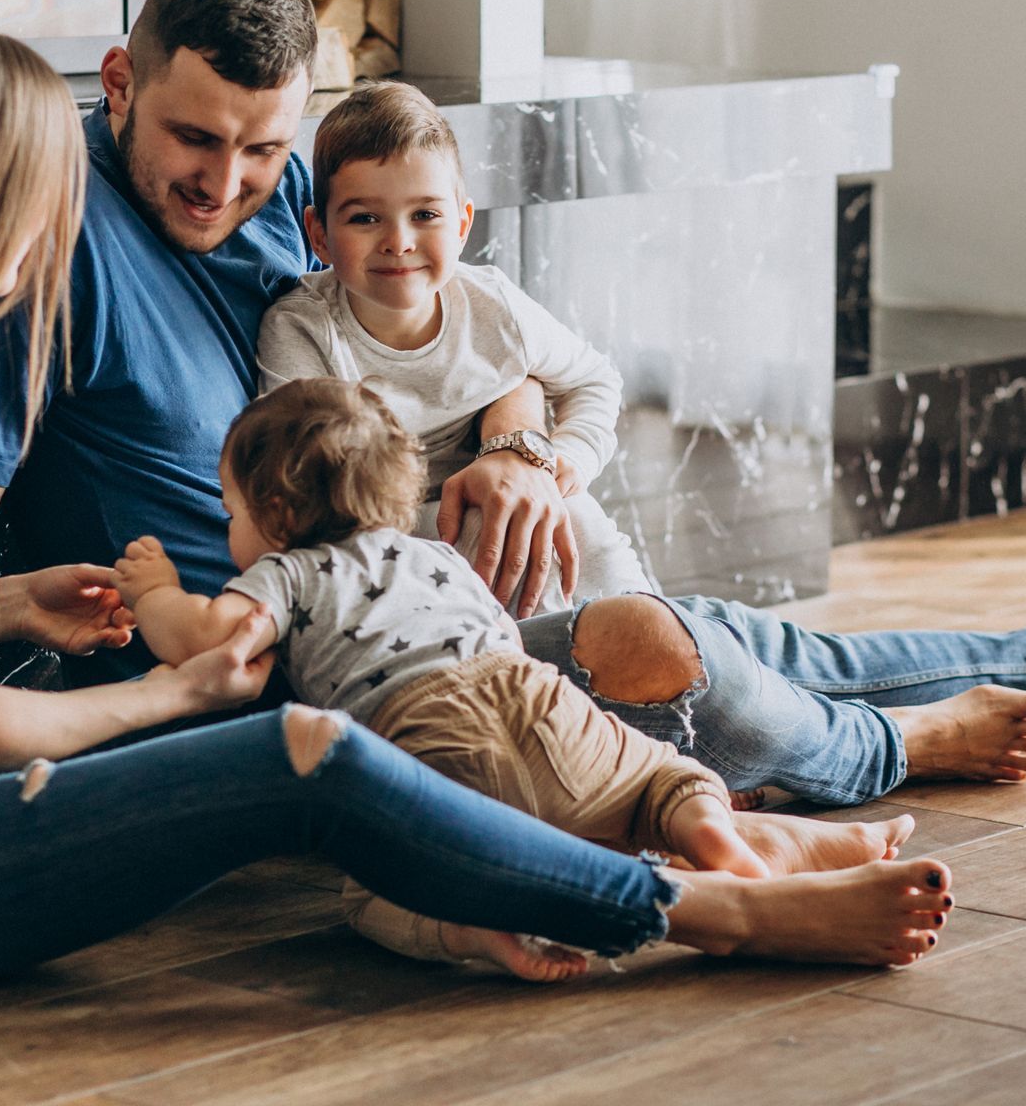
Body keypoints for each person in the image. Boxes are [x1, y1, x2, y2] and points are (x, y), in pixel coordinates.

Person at [0, 0, 1026, 882]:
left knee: (696, 630)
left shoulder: (304, 193)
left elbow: (448, 322)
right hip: (271, 645)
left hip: (402, 582)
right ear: (115, 83)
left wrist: (514, 429)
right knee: (690, 654)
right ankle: (966, 719)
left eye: (260, 150)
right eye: (191, 138)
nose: (228, 185)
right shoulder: (44, 238)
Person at [0, 17, 951, 981]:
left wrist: (13, 596)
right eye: (50, 185)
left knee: (583, 659)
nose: (61, 220)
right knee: (303, 754)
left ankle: (753, 827)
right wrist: (171, 695)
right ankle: (707, 908)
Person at [113, 378, 927, 974]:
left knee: (370, 893)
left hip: (429, 736)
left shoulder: (290, 573)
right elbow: (505, 634)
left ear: (279, 516)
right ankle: (703, 828)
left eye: (230, 510)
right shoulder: (432, 555)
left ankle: (474, 928)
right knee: (651, 776)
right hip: (537, 694)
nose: (228, 527)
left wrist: (153, 591)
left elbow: (212, 640)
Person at [258, 80, 648, 618]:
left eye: (425, 215)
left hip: (514, 505)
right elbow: (302, 481)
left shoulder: (494, 306)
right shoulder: (300, 329)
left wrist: (564, 463)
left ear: (463, 224)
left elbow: (594, 380)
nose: (399, 241)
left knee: (582, 528)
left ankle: (654, 630)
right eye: (365, 218)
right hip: (394, 540)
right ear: (319, 235)